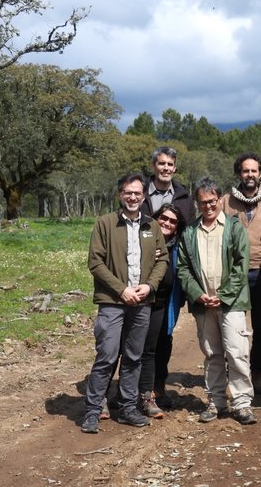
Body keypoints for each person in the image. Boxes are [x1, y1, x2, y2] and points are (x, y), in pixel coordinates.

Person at [81, 173, 169, 434]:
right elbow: (95, 262)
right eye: (128, 193)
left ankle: (128, 407)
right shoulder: (105, 224)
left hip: (142, 302)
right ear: (120, 195)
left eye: (137, 193)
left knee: (133, 357)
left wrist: (149, 286)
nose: (133, 197)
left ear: (143, 196)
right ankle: (93, 411)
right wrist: (121, 290)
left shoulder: (151, 226)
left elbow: (162, 259)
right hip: (112, 302)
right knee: (107, 356)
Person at [178, 177, 257, 425]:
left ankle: (242, 403)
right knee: (212, 353)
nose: (208, 206)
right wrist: (197, 293)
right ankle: (216, 402)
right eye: (203, 202)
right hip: (203, 304)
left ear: (220, 199)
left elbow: (241, 265)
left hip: (231, 302)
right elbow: (183, 268)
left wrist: (223, 296)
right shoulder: (190, 231)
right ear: (197, 203)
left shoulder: (234, 228)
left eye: (212, 201)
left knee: (237, 352)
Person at [218, 152, 261, 394]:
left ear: (260, 173)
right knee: (232, 328)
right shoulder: (226, 201)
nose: (249, 175)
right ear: (239, 173)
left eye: (254, 171)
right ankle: (234, 374)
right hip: (234, 274)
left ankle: (257, 374)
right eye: (245, 170)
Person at [137, 203, 185, 418]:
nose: (167, 223)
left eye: (173, 221)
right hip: (143, 301)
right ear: (155, 219)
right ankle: (139, 391)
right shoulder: (143, 239)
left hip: (167, 302)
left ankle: (159, 386)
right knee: (143, 346)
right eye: (163, 218)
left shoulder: (178, 246)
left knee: (163, 343)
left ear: (177, 227)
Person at [141, 146, 195, 223]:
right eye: (162, 163)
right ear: (153, 166)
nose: (166, 168)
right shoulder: (139, 193)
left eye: (170, 164)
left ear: (174, 168)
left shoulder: (185, 198)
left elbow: (190, 227)